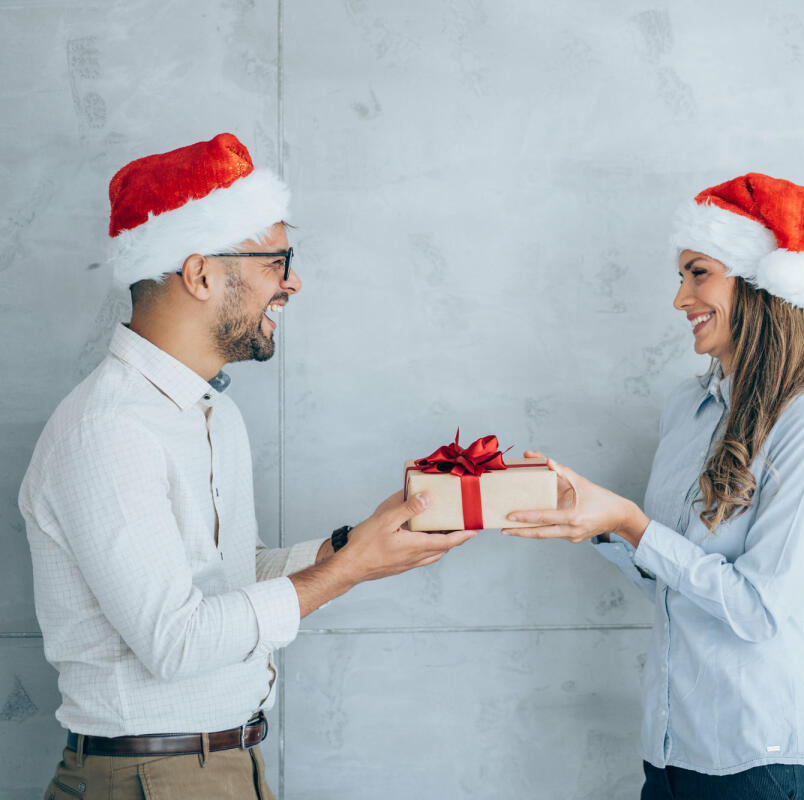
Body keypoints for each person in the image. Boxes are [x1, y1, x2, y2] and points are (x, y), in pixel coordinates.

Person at [18, 133, 475, 799]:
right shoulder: (107, 431)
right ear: (202, 274)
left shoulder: (213, 414)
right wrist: (348, 571)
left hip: (224, 765)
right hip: (149, 779)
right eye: (276, 261)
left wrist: (351, 543)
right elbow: (176, 641)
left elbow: (221, 580)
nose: (293, 282)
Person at [504, 173, 804, 799]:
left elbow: (759, 610)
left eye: (698, 273)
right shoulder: (685, 409)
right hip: (670, 757)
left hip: (764, 764)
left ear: (757, 284)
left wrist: (633, 524)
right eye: (682, 277)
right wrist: (600, 522)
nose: (679, 299)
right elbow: (674, 583)